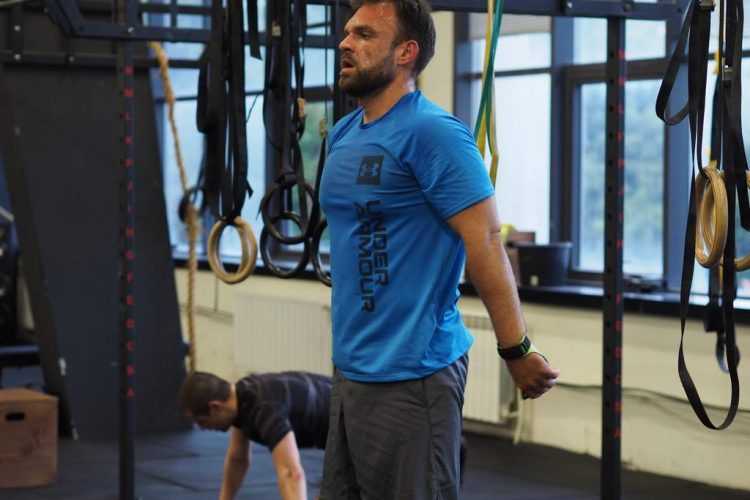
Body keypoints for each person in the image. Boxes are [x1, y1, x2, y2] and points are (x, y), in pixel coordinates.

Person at [318, 1, 561, 498]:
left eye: (364, 34)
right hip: (350, 369)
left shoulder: (434, 133)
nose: (345, 43)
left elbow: (485, 239)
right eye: (347, 33)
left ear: (406, 52)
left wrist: (515, 348)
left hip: (414, 373)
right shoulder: (343, 133)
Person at [177, 371, 331, 500]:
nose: (202, 429)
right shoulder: (241, 397)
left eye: (202, 422)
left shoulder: (264, 408)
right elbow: (237, 460)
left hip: (345, 422)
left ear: (215, 406)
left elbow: (291, 474)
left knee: (335, 490)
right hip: (338, 426)